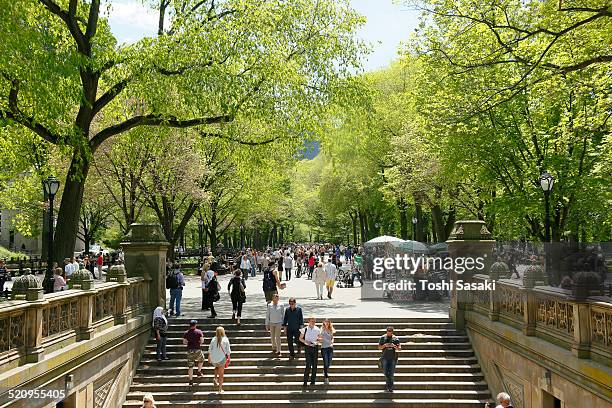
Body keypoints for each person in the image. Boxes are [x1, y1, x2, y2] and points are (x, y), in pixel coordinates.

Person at [299, 317, 322, 386]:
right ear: (309, 321)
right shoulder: (305, 329)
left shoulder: (317, 329)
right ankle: (305, 381)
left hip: (315, 347)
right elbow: (300, 338)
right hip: (308, 348)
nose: (313, 322)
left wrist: (317, 341)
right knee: (308, 365)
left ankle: (313, 381)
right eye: (312, 321)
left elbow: (320, 339)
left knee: (315, 365)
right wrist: (305, 342)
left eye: (314, 321)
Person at [208, 326, 231, 393]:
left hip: (214, 359)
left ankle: (215, 378)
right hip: (221, 359)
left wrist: (209, 357)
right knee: (221, 375)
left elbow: (210, 349)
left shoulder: (213, 339)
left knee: (216, 367)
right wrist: (229, 358)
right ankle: (220, 389)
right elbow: (228, 350)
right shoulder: (225, 339)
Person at [378, 326, 401, 392]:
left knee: (391, 373)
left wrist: (394, 346)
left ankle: (390, 387)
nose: (389, 334)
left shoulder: (395, 338)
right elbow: (379, 348)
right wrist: (384, 345)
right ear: (386, 331)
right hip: (384, 357)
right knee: (385, 372)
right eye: (388, 332)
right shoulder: (383, 338)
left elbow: (400, 349)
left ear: (392, 332)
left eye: (390, 333)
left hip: (393, 358)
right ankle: (388, 383)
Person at [183, 320, 205, 386]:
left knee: (190, 366)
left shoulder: (186, 333)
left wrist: (189, 342)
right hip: (197, 349)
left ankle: (190, 380)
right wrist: (198, 342)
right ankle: (199, 371)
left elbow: (184, 342)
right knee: (201, 359)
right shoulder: (199, 332)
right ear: (195, 325)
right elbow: (202, 341)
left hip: (190, 350)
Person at [320, 318, 336, 384]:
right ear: (323, 322)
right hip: (324, 348)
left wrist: (332, 343)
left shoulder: (331, 329)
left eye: (328, 322)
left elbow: (332, 338)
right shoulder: (321, 330)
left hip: (330, 348)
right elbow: (319, 338)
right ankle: (326, 377)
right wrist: (320, 340)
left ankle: (325, 370)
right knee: (325, 362)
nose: (326, 323)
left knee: (329, 362)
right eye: (325, 321)